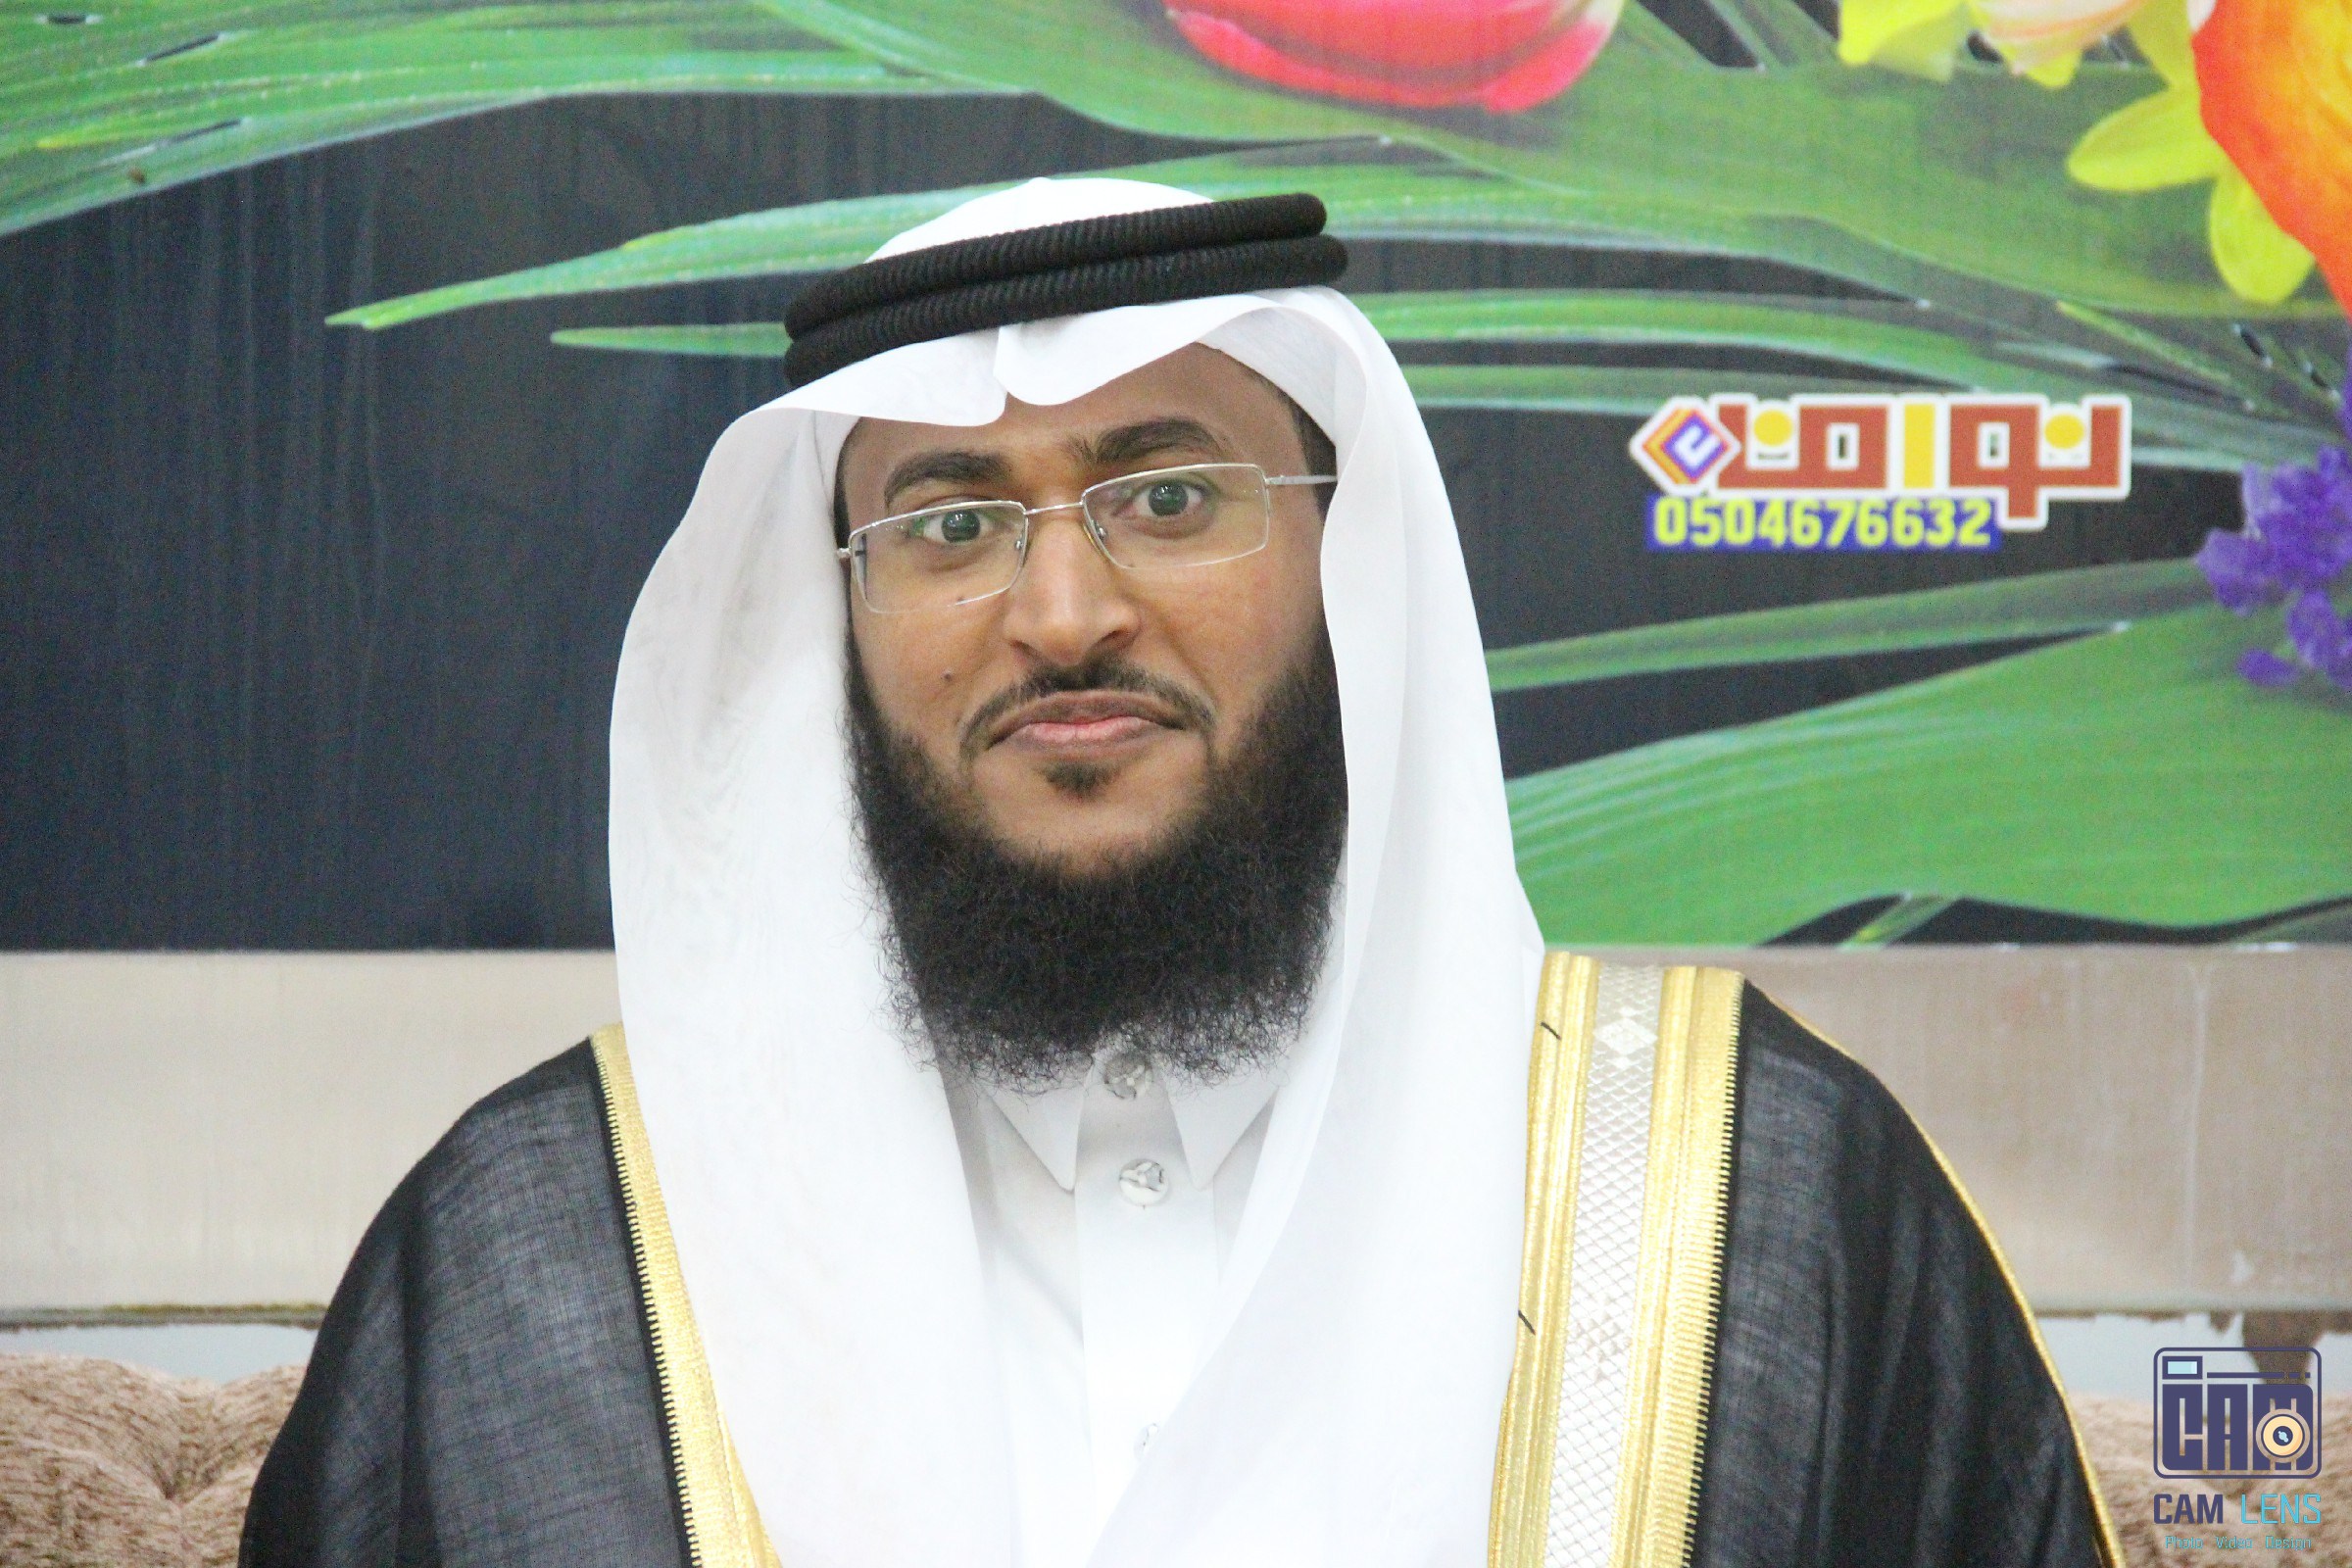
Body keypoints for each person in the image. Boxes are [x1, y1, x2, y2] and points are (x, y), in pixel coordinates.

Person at [241, 179, 2122, 1568]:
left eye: (1166, 497)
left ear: (1344, 566)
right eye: (950, 524)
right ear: (840, 622)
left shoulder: (1760, 1198)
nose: (1063, 614)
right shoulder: (542, 1256)